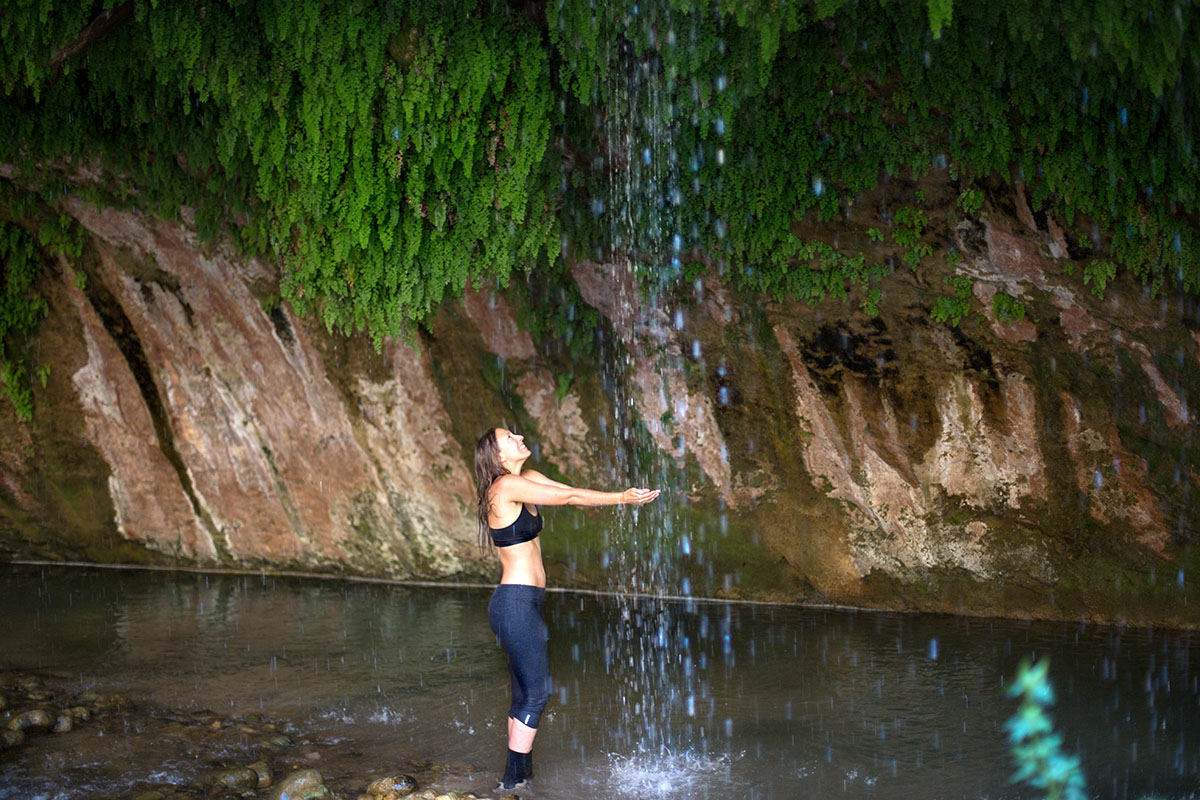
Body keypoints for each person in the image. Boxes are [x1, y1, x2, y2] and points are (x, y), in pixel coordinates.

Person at [474, 427, 660, 791]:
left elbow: (569, 496)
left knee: (523, 695)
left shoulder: (525, 479)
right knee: (537, 694)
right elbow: (571, 495)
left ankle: (517, 780)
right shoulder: (504, 487)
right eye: (509, 437)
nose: (518, 436)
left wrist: (618, 500)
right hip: (514, 603)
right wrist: (622, 497)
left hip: (522, 603)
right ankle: (513, 782)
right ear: (497, 457)